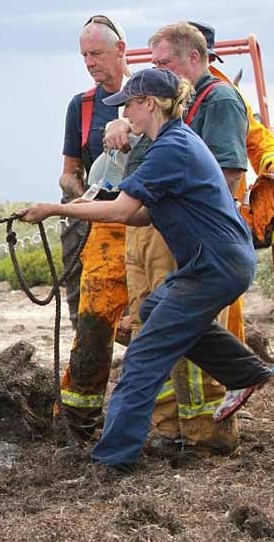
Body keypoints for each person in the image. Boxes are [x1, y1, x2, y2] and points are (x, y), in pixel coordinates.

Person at [19, 67, 273, 469]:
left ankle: (112, 459)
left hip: (215, 265)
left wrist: (54, 208)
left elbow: (122, 208)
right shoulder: (170, 144)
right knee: (155, 310)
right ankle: (246, 371)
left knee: (144, 355)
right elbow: (139, 215)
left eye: (130, 107)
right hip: (213, 261)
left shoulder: (172, 148)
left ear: (149, 105)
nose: (125, 116)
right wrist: (82, 207)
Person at [106, 22, 254, 452]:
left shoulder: (219, 100)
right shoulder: (169, 124)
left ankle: (206, 435)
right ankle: (171, 428)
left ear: (194, 57)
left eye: (163, 62)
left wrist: (188, 234)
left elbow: (224, 178)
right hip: (165, 231)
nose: (159, 69)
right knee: (151, 317)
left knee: (157, 344)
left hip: (196, 244)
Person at [56, 14, 133, 439]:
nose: (90, 62)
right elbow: (68, 170)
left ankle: (160, 411)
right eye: (84, 55)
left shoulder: (152, 95)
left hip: (144, 222)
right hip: (95, 221)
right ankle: (80, 419)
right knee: (89, 320)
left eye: (97, 54)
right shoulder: (81, 106)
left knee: (149, 316)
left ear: (121, 50)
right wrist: (76, 190)